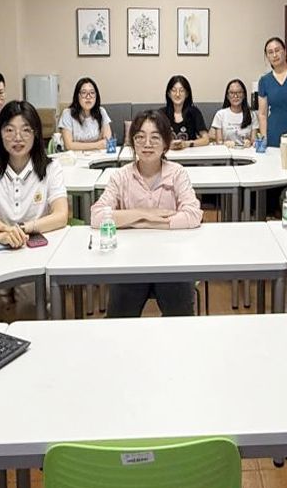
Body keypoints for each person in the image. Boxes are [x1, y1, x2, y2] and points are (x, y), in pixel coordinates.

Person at [0, 101, 70, 320]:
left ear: (36, 134)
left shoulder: (51, 168)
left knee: (30, 303)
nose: (17, 138)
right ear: (0, 134)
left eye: (25, 130)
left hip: (36, 254)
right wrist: (0, 236)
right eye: (9, 130)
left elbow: (61, 215)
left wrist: (21, 228)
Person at [90, 111, 202, 318]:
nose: (147, 144)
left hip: (172, 260)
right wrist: (143, 213)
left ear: (166, 143)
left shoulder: (177, 173)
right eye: (140, 137)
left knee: (180, 320)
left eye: (155, 137)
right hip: (130, 261)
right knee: (119, 320)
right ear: (133, 142)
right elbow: (97, 216)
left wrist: (142, 223)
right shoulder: (121, 176)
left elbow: (193, 214)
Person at [57, 77, 112, 151]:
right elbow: (69, 145)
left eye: (92, 93)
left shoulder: (101, 111)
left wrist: (77, 145)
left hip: (98, 155)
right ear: (77, 96)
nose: (88, 97)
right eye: (84, 93)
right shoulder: (67, 114)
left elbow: (107, 141)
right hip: (75, 156)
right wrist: (98, 145)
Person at [159, 75, 209, 149]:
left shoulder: (194, 112)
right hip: (168, 153)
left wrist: (186, 144)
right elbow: (154, 139)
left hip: (189, 154)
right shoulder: (161, 114)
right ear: (169, 94)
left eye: (181, 91)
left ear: (187, 94)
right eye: (174, 90)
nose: (177, 94)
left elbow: (206, 139)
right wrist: (167, 145)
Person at [210, 78, 255, 147]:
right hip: (226, 151)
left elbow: (254, 141)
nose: (235, 96)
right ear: (227, 96)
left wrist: (250, 143)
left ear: (244, 95)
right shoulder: (220, 114)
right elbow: (219, 142)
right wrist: (225, 144)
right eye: (232, 93)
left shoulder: (252, 115)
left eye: (239, 92)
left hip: (246, 152)